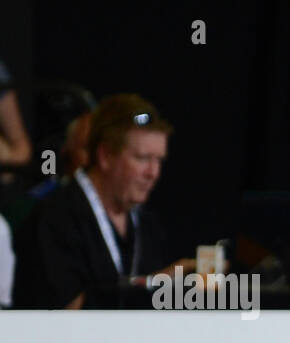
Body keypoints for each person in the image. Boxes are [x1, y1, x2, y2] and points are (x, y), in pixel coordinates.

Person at [12, 94, 185, 309]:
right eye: (142, 158)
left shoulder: (147, 225)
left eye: (159, 160)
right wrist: (151, 286)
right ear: (105, 156)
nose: (153, 172)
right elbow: (66, 310)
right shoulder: (55, 220)